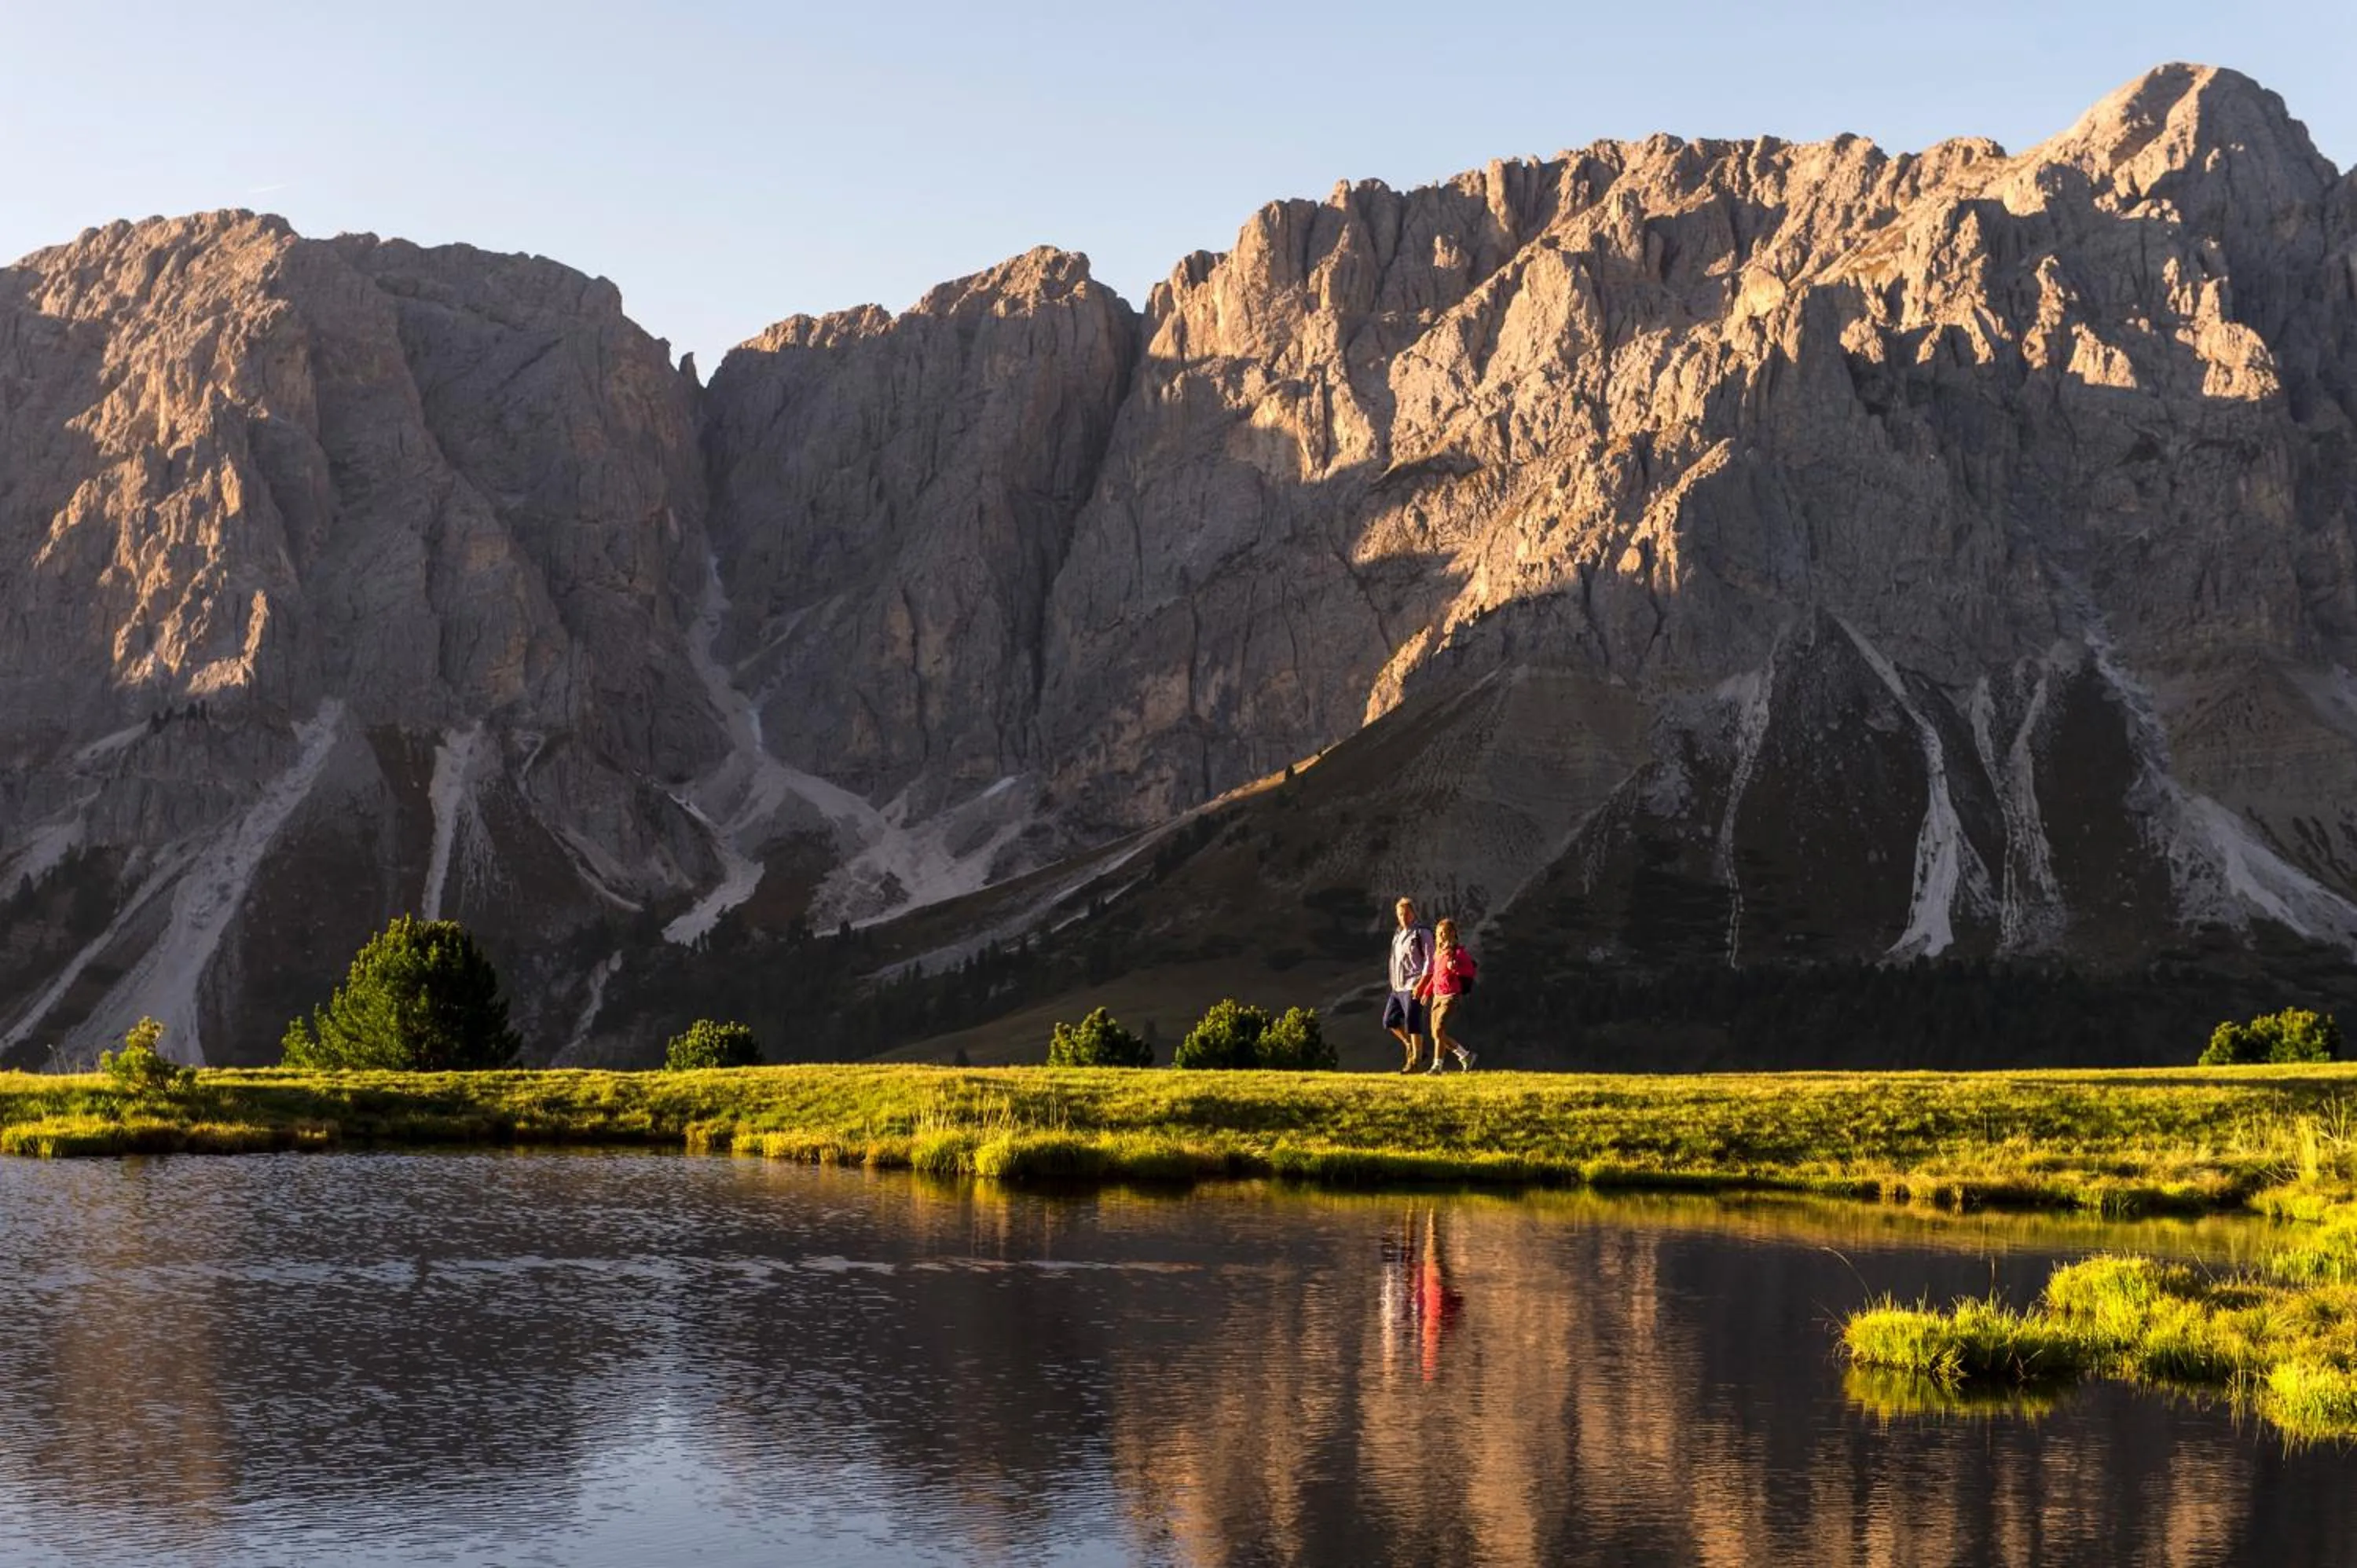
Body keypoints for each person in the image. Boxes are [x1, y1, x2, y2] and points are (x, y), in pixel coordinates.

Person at [1415, 918, 1478, 1072]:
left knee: (1438, 1030)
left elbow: (1470, 971)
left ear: (1452, 933)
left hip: (1451, 995)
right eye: (1439, 934)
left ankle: (1438, 1067)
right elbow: (1436, 976)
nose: (1441, 936)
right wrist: (1427, 992)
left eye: (1444, 933)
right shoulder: (1439, 953)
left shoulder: (1458, 953)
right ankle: (1465, 1056)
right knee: (1437, 1033)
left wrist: (1455, 969)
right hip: (1437, 995)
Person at [1382, 898, 1434, 1072]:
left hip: (1414, 984)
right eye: (1400, 914)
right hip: (1398, 986)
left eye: (1406, 913)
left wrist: (1423, 983)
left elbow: (1430, 959)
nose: (1403, 917)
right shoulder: (1398, 934)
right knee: (1389, 1021)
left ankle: (1415, 1062)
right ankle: (1410, 1046)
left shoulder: (1422, 933)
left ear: (1413, 913)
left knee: (1413, 1022)